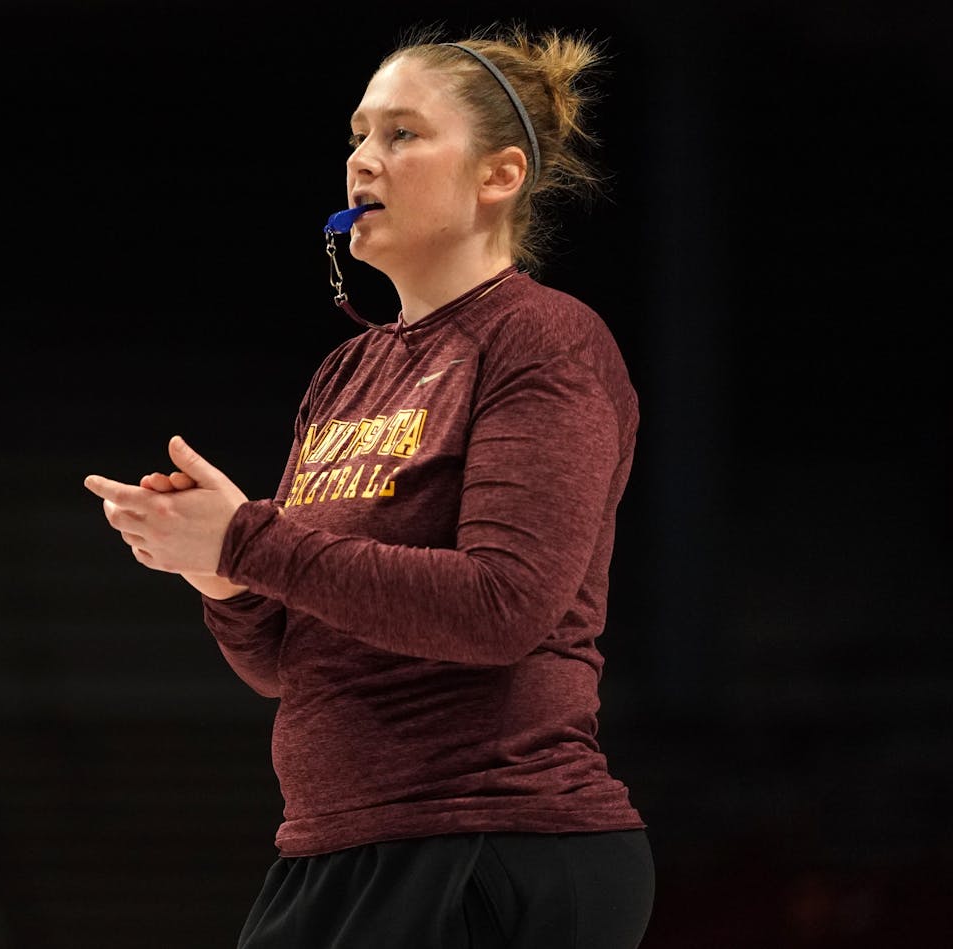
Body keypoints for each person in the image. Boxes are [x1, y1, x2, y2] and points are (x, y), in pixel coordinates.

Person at [83, 22, 654, 949]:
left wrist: (250, 542)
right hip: (342, 844)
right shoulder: (347, 373)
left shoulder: (543, 340)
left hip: (493, 839)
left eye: (402, 134)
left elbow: (503, 607)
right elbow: (290, 664)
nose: (364, 161)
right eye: (357, 136)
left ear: (499, 176)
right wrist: (220, 577)